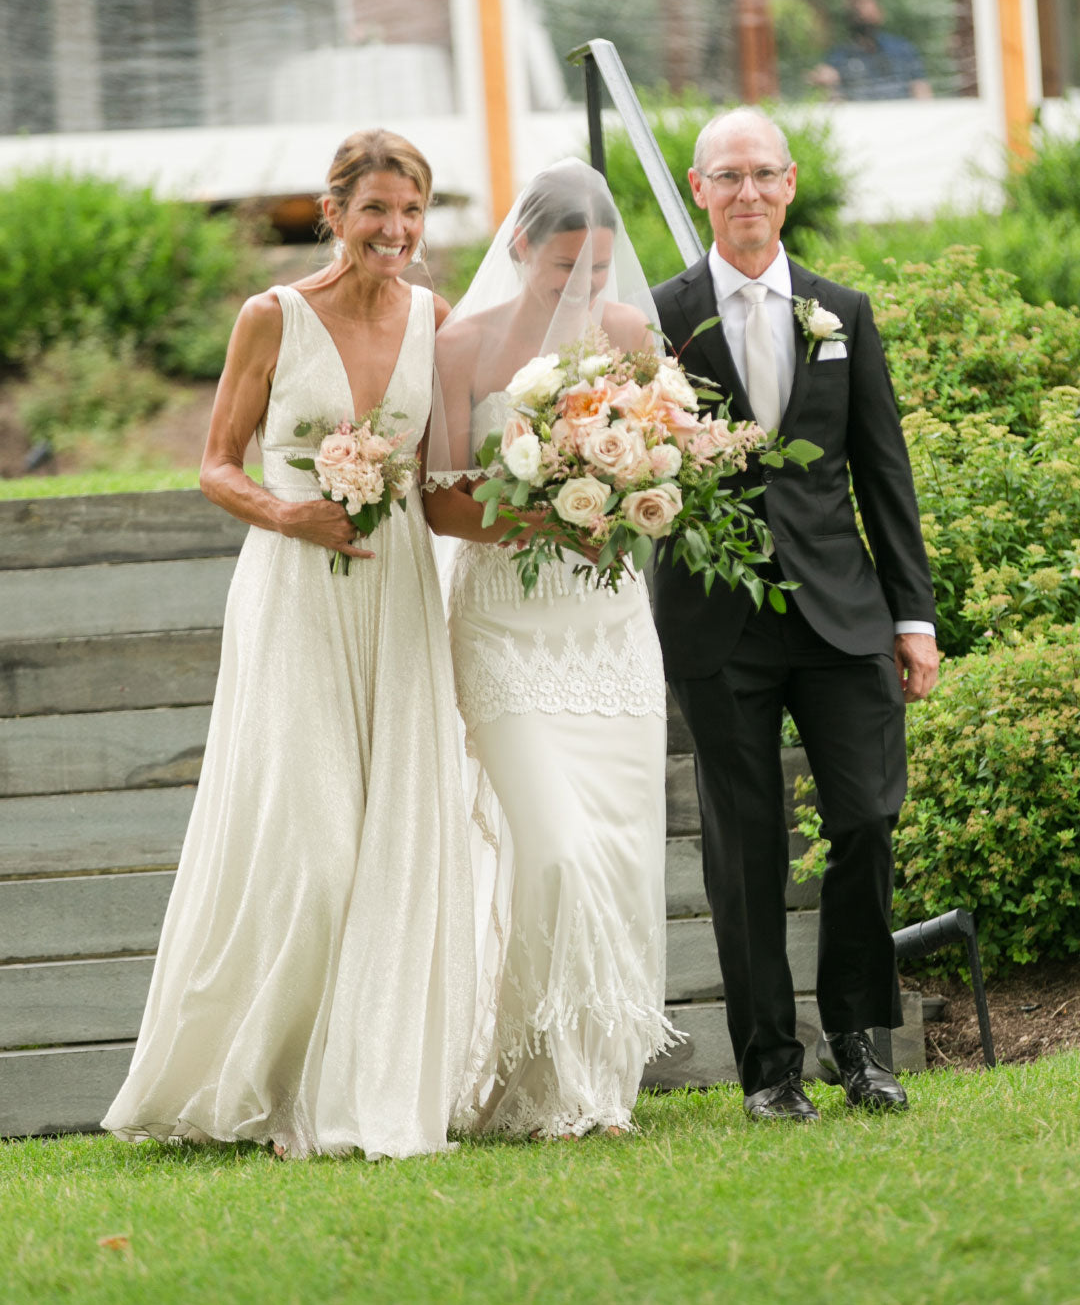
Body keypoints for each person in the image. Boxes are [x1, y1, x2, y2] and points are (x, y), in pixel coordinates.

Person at [102, 129, 475, 1160]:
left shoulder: (435, 320)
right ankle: (265, 1084)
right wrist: (288, 512)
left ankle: (361, 1084)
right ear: (334, 210)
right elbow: (216, 464)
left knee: (391, 839)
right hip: (294, 590)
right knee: (311, 849)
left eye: (412, 213)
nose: (395, 232)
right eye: (376, 211)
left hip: (397, 588)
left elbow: (446, 480)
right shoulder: (272, 317)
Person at [651, 107, 939, 1122]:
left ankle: (859, 1041)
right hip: (715, 622)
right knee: (747, 847)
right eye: (725, 177)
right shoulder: (657, 319)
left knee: (867, 815)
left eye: (762, 175)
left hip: (841, 613)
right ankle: (770, 1067)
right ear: (698, 190)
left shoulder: (841, 312)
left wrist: (915, 617)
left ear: (791, 183)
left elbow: (882, 472)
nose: (746, 194)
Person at [424, 158, 680, 1140]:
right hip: (504, 622)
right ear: (522, 246)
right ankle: (536, 1073)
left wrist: (634, 491)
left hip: (608, 626)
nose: (584, 287)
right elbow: (440, 497)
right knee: (558, 853)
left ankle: (594, 1087)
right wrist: (535, 514)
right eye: (565, 265)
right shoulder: (463, 345)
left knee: (614, 854)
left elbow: (668, 459)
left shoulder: (622, 333)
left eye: (601, 269)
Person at [808, 0, 933, 101]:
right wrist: (829, 86)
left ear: (880, 15)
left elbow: (921, 88)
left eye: (871, 13)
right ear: (851, 19)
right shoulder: (839, 57)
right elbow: (836, 100)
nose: (867, 19)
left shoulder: (901, 49)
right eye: (861, 15)